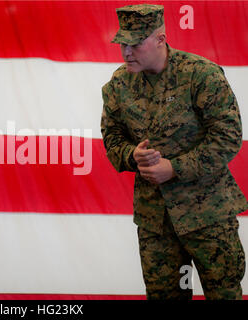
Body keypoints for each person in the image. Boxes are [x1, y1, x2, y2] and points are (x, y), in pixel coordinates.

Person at [101, 4, 248, 299]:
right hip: (156, 222)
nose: (127, 52)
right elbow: (112, 138)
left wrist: (175, 168)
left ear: (160, 38)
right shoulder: (119, 84)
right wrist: (132, 156)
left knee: (223, 294)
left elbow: (229, 136)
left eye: (136, 43)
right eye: (123, 44)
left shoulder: (200, 75)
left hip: (208, 215)